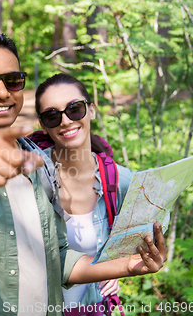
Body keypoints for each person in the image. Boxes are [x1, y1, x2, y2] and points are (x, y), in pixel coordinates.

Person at [0, 32, 166, 316]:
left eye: (13, 80)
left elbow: (57, 257)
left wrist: (127, 266)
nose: (2, 92)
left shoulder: (37, 162)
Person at [32, 73, 134, 314]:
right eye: (52, 115)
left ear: (92, 110)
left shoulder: (119, 179)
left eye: (74, 109)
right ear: (43, 125)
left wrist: (117, 266)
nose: (66, 121)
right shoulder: (30, 176)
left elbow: (149, 223)